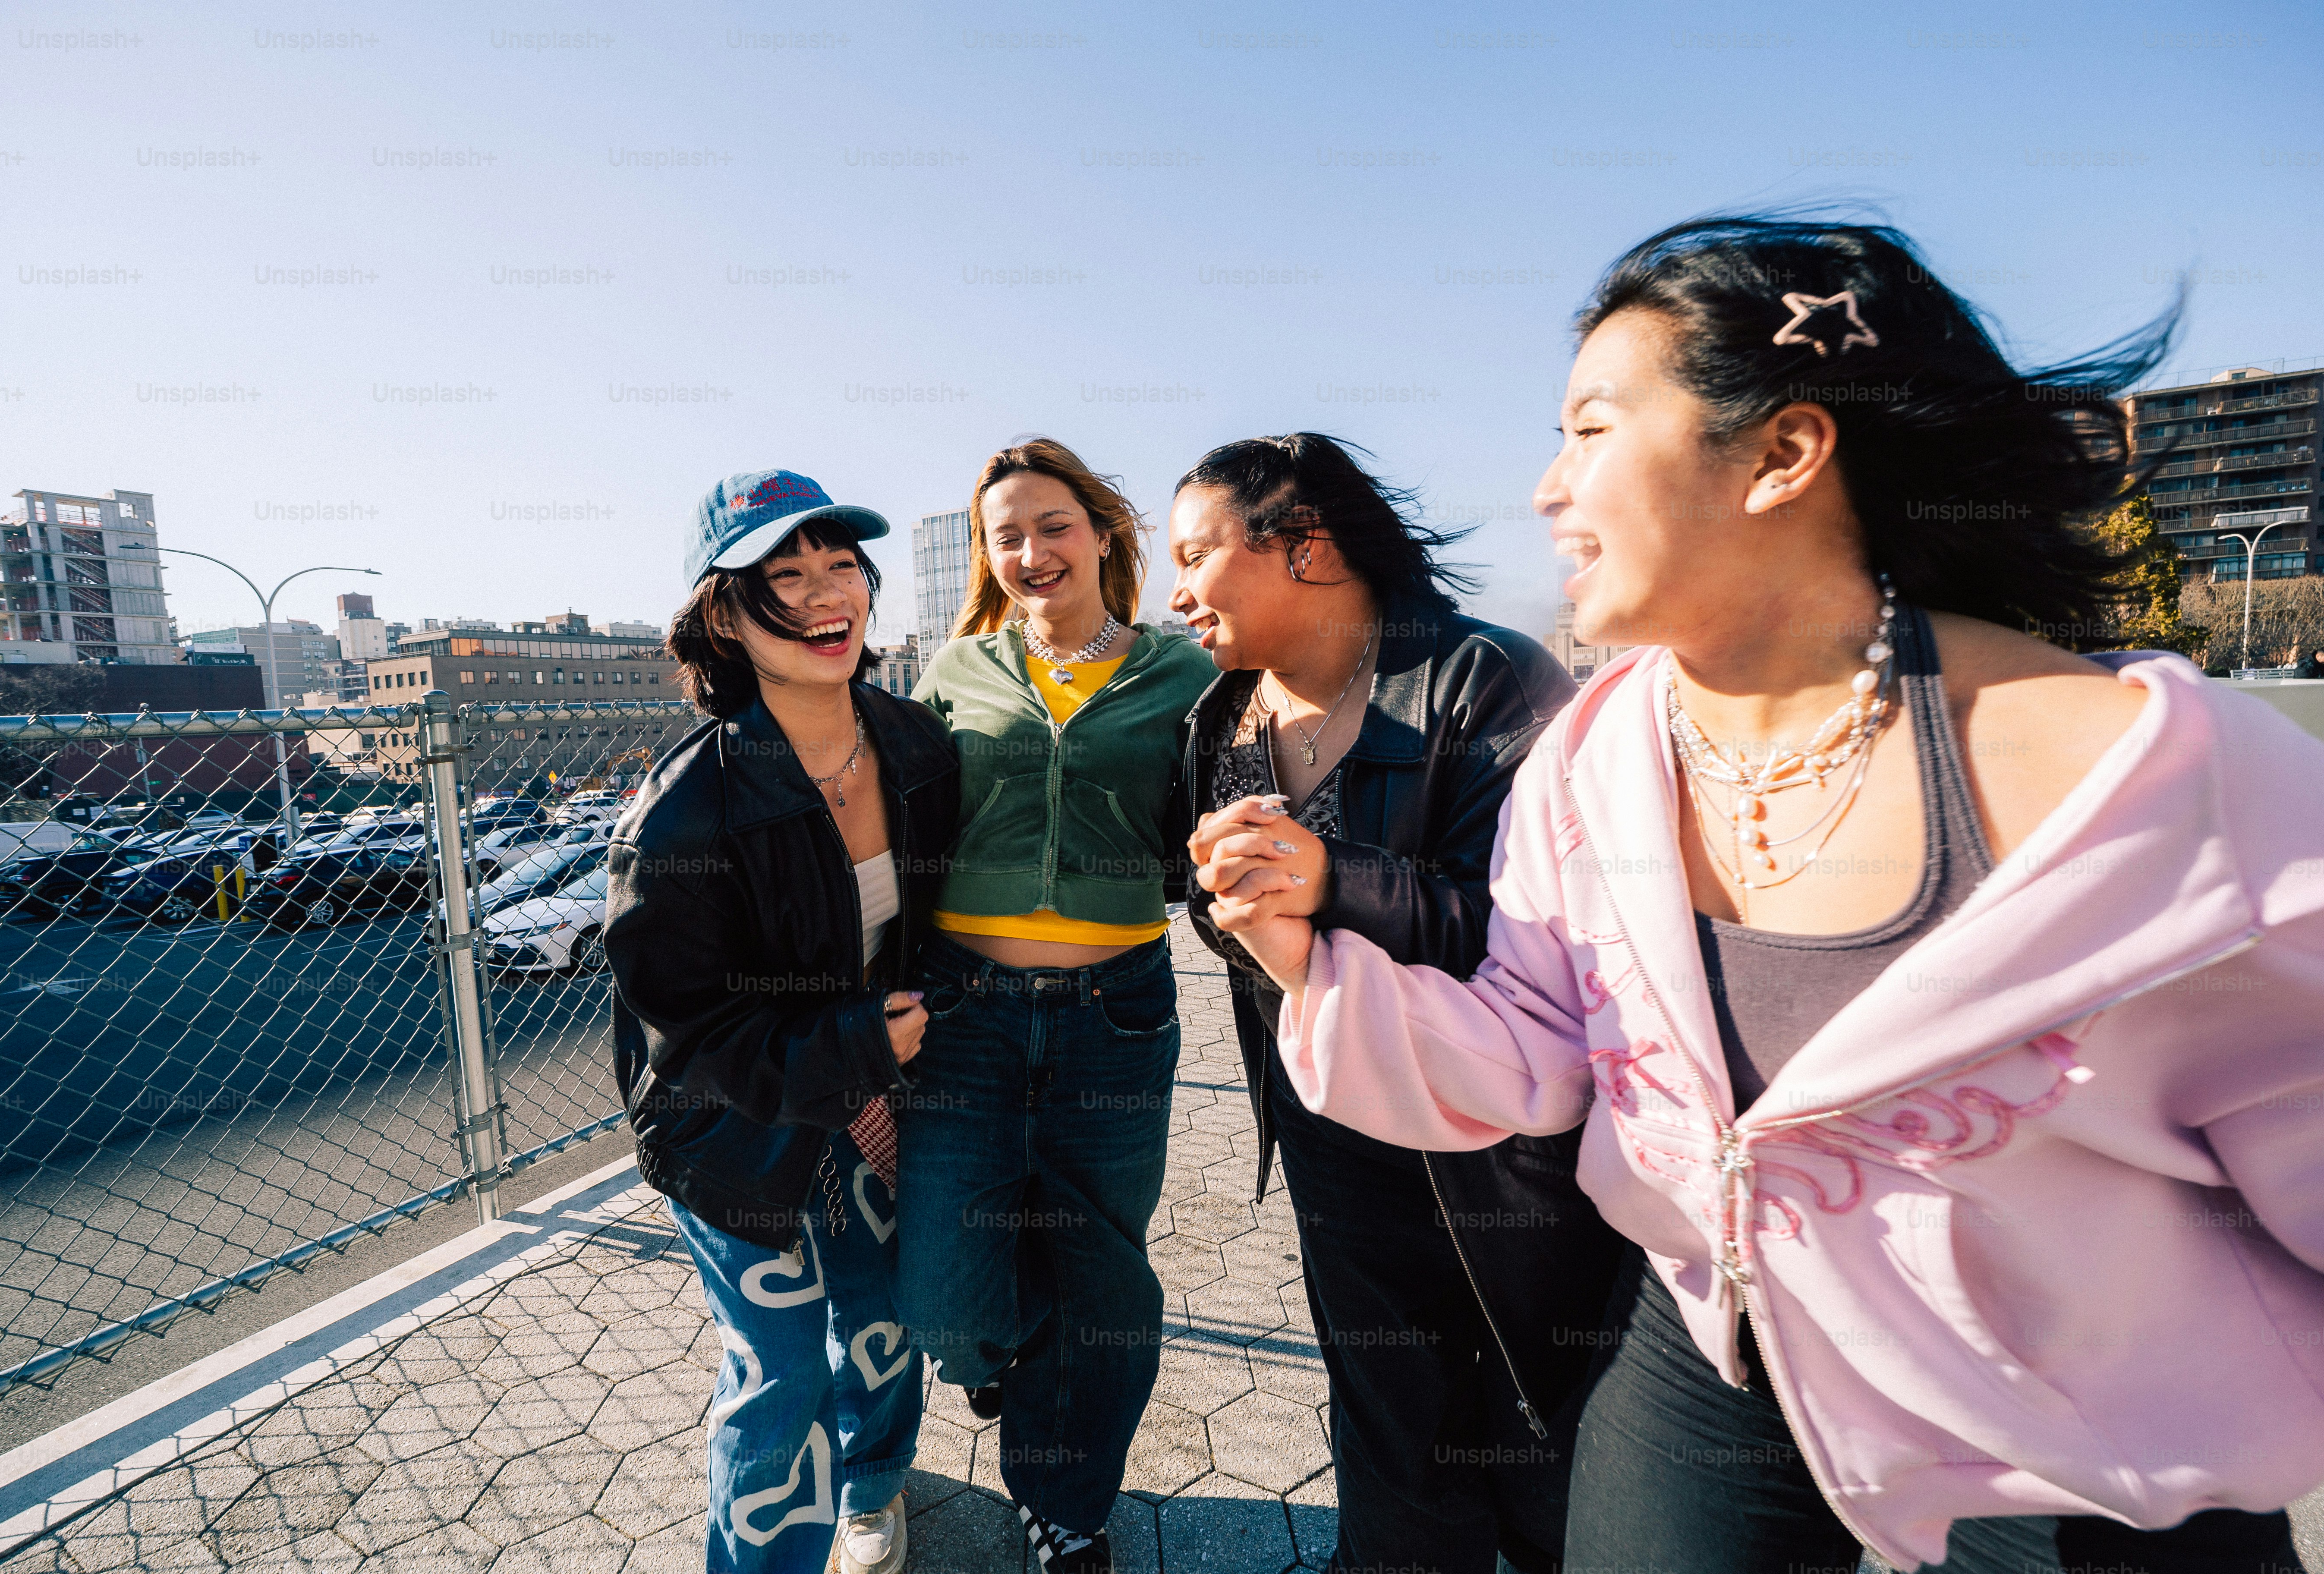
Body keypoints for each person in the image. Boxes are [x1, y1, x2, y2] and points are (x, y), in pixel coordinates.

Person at [1204, 217, 2324, 1573]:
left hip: (2086, 1444)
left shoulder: (2152, 782)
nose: (1550, 491)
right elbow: (1537, 1049)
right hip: (1719, 1351)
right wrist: (1299, 960)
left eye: (1593, 431)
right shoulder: (1595, 763)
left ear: (1787, 453)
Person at [1169, 433, 1625, 1574]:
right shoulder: (1215, 719)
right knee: (1384, 1396)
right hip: (1327, 1115)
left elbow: (1540, 940)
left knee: (1538, 1409)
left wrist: (1331, 883)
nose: (1173, 592)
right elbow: (1213, 916)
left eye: (1195, 554)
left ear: (1308, 546)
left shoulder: (1487, 681)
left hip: (1500, 1136)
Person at [605, 470, 959, 1574]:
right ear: (723, 613)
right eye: (782, 574)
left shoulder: (917, 745)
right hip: (739, 1137)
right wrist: (857, 1050)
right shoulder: (683, 812)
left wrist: (903, 1052)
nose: (822, 593)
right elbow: (692, 1039)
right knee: (782, 1376)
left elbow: (944, 928)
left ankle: (877, 1488)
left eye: (838, 563)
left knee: (888, 1325)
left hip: (878, 1106)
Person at [895, 438, 1217, 1574]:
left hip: (1115, 1012)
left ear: (1101, 532)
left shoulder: (1184, 673)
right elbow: (902, 834)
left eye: (1052, 525)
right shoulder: (956, 672)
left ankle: (1065, 1504)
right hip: (962, 1013)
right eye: (1006, 535)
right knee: (943, 1291)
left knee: (1101, 1279)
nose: (1031, 552)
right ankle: (1008, 1362)